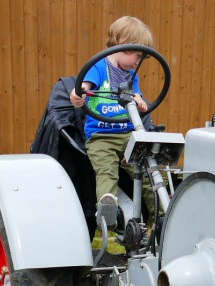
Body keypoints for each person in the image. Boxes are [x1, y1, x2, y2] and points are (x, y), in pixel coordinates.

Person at [70, 16, 154, 228]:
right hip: (101, 135)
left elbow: (137, 96)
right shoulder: (99, 67)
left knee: (145, 171)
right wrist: (78, 94)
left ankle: (164, 211)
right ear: (123, 44)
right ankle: (107, 205)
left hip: (128, 134)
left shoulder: (131, 74)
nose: (138, 61)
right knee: (106, 170)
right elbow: (83, 87)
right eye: (137, 55)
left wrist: (140, 100)